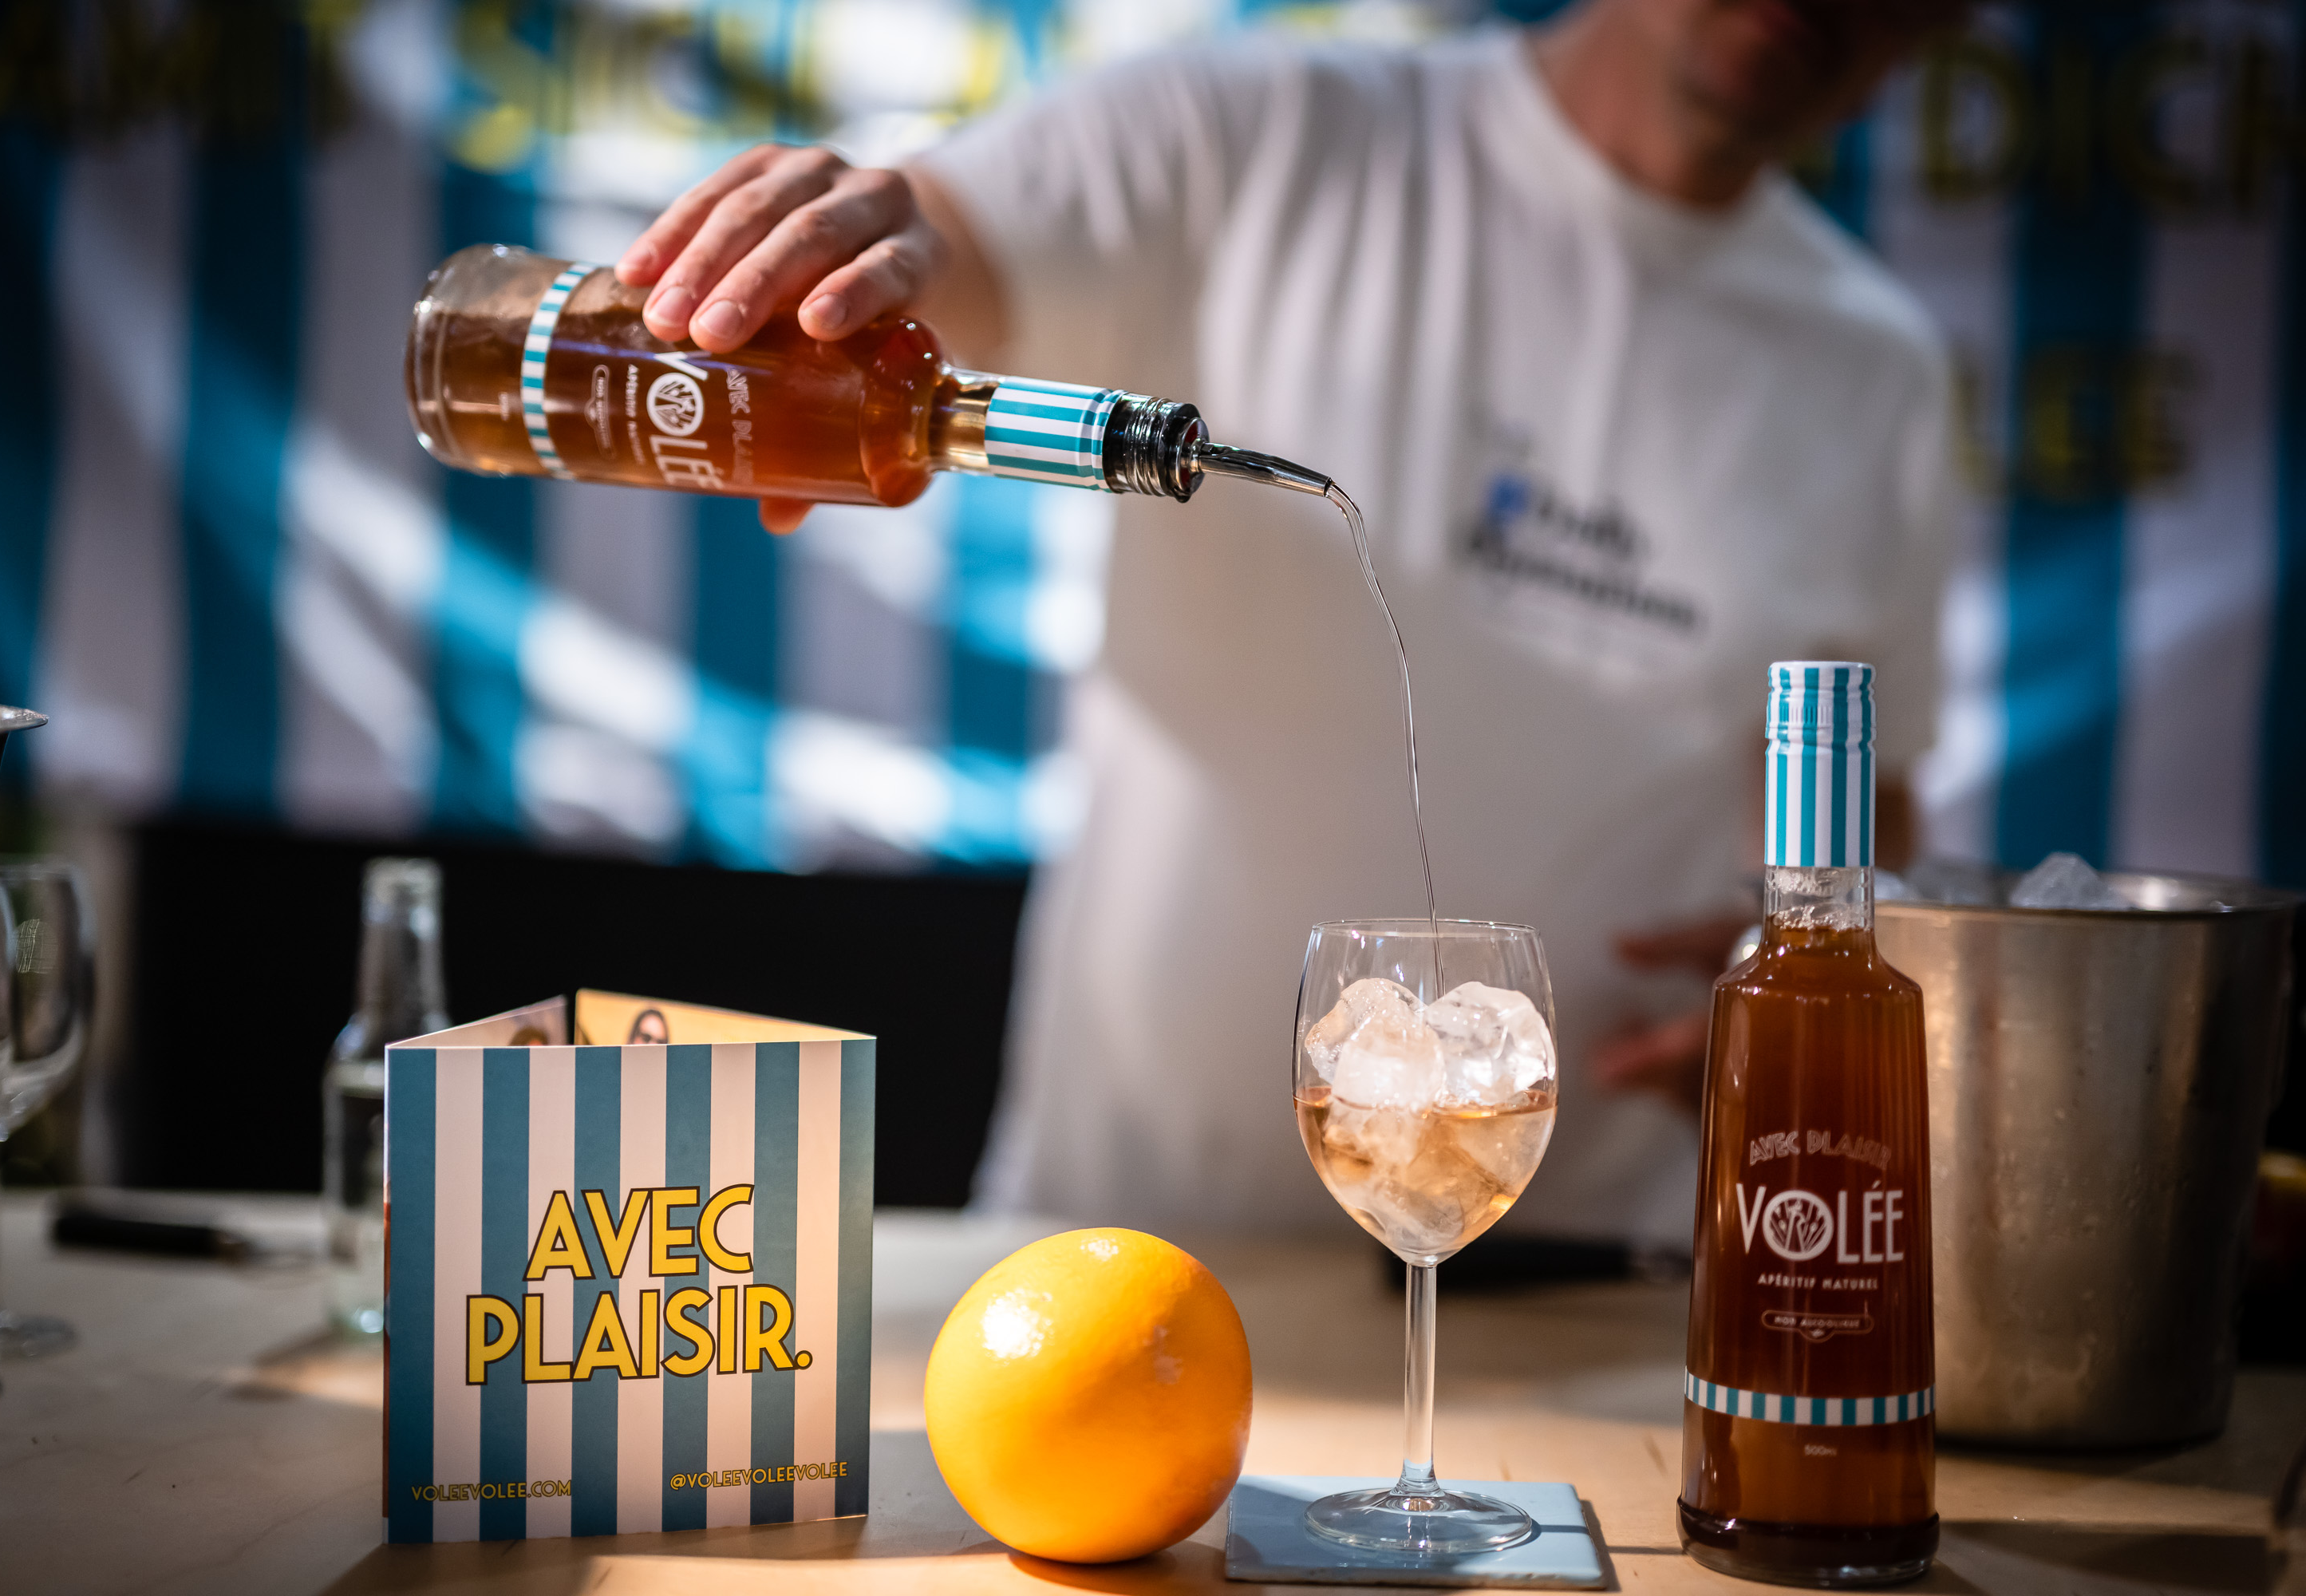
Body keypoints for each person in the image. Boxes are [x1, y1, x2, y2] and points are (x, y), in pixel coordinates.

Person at [617, 0, 1966, 1246]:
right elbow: (954, 255)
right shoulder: (1251, 135)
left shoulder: (1876, 373)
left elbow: (1868, 796)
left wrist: (1792, 966)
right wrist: (855, 258)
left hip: (1583, 1288)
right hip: (1125, 1260)